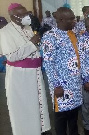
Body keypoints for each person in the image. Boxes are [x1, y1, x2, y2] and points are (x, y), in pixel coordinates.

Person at [0, 3, 51, 135]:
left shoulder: (28, 28)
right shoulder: (5, 32)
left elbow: (36, 48)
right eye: (21, 15)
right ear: (12, 16)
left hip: (35, 73)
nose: (26, 17)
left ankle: (41, 129)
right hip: (20, 76)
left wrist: (39, 39)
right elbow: (12, 56)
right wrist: (33, 42)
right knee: (24, 108)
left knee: (38, 103)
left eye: (26, 14)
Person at [41, 7, 82, 135]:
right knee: (61, 117)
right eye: (71, 19)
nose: (74, 21)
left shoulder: (72, 33)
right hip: (62, 86)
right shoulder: (50, 37)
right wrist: (56, 85)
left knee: (74, 115)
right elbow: (48, 63)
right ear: (61, 20)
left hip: (75, 83)